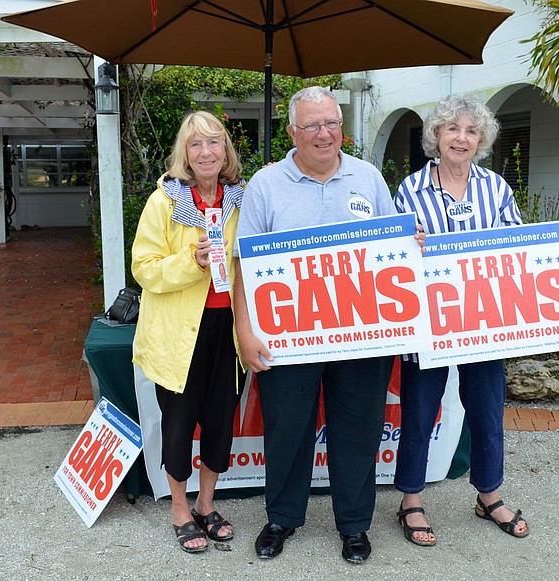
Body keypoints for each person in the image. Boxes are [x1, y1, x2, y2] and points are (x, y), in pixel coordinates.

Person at [233, 86, 423, 565]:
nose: (323, 134)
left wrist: (410, 244)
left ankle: (355, 525)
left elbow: (392, 256)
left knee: (358, 430)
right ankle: (281, 518)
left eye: (331, 124)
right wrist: (245, 330)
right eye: (312, 125)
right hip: (287, 339)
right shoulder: (265, 184)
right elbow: (242, 264)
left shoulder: (369, 177)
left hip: (362, 338)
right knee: (286, 430)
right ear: (292, 132)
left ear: (343, 129)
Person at [392, 94, 528, 546]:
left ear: (482, 140)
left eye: (471, 131)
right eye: (452, 129)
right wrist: (405, 244)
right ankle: (410, 500)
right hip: (427, 323)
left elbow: (521, 255)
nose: (461, 138)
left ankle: (488, 494)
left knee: (488, 411)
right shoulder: (410, 190)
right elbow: (390, 259)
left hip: (483, 324)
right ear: (436, 135)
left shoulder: (496, 188)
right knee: (418, 412)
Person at [131, 111, 245, 554]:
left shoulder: (240, 199)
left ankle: (205, 503)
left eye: (214, 143)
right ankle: (179, 508)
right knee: (178, 427)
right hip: (180, 336)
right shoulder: (164, 202)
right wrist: (191, 262)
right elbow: (143, 268)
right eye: (195, 144)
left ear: (225, 151)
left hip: (228, 329)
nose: (206, 152)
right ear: (184, 153)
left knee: (220, 423)